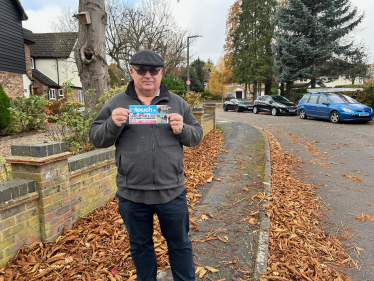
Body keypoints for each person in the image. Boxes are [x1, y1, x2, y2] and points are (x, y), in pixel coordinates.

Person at [89, 49, 203, 281]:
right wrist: (112, 124)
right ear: (132, 72)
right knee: (140, 247)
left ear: (161, 73)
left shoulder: (177, 103)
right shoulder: (117, 103)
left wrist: (184, 129)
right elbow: (95, 137)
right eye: (141, 71)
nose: (147, 75)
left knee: (180, 245)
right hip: (132, 196)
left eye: (153, 71)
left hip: (172, 192)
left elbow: (197, 136)